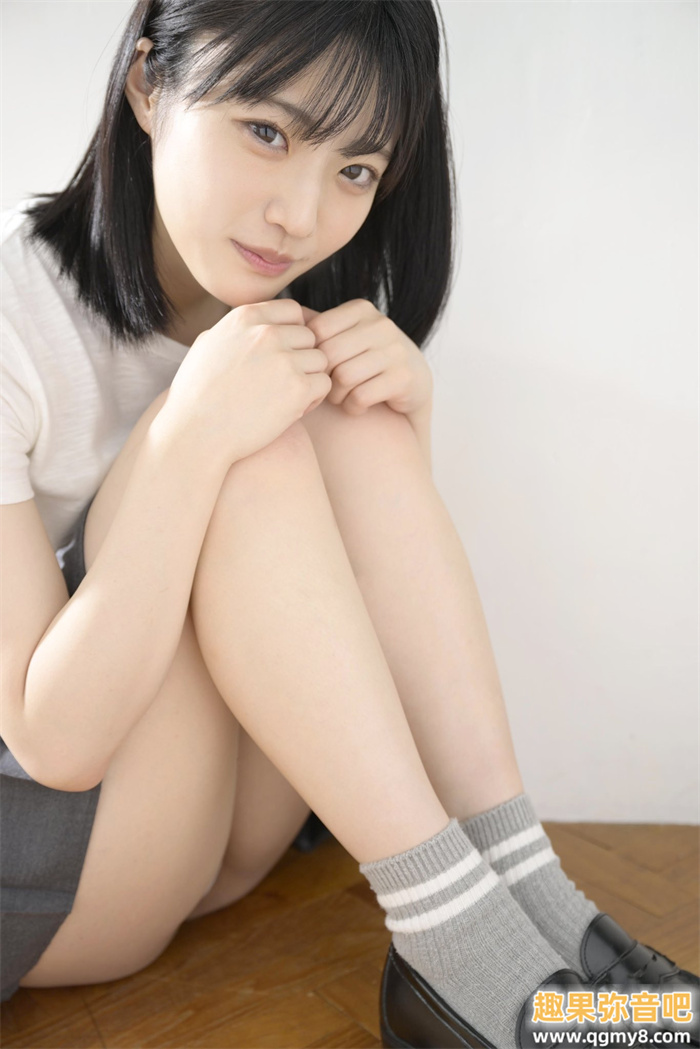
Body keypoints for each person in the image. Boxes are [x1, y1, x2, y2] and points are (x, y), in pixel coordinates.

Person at [0, 1, 697, 1045]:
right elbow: (51, 741)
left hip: (228, 843)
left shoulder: (299, 309)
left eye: (356, 170)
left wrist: (405, 428)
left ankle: (537, 907)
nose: (300, 213)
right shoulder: (14, 322)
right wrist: (189, 437)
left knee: (336, 404)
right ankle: (474, 967)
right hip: (55, 878)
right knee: (253, 432)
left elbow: (334, 624)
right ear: (148, 84)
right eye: (266, 131)